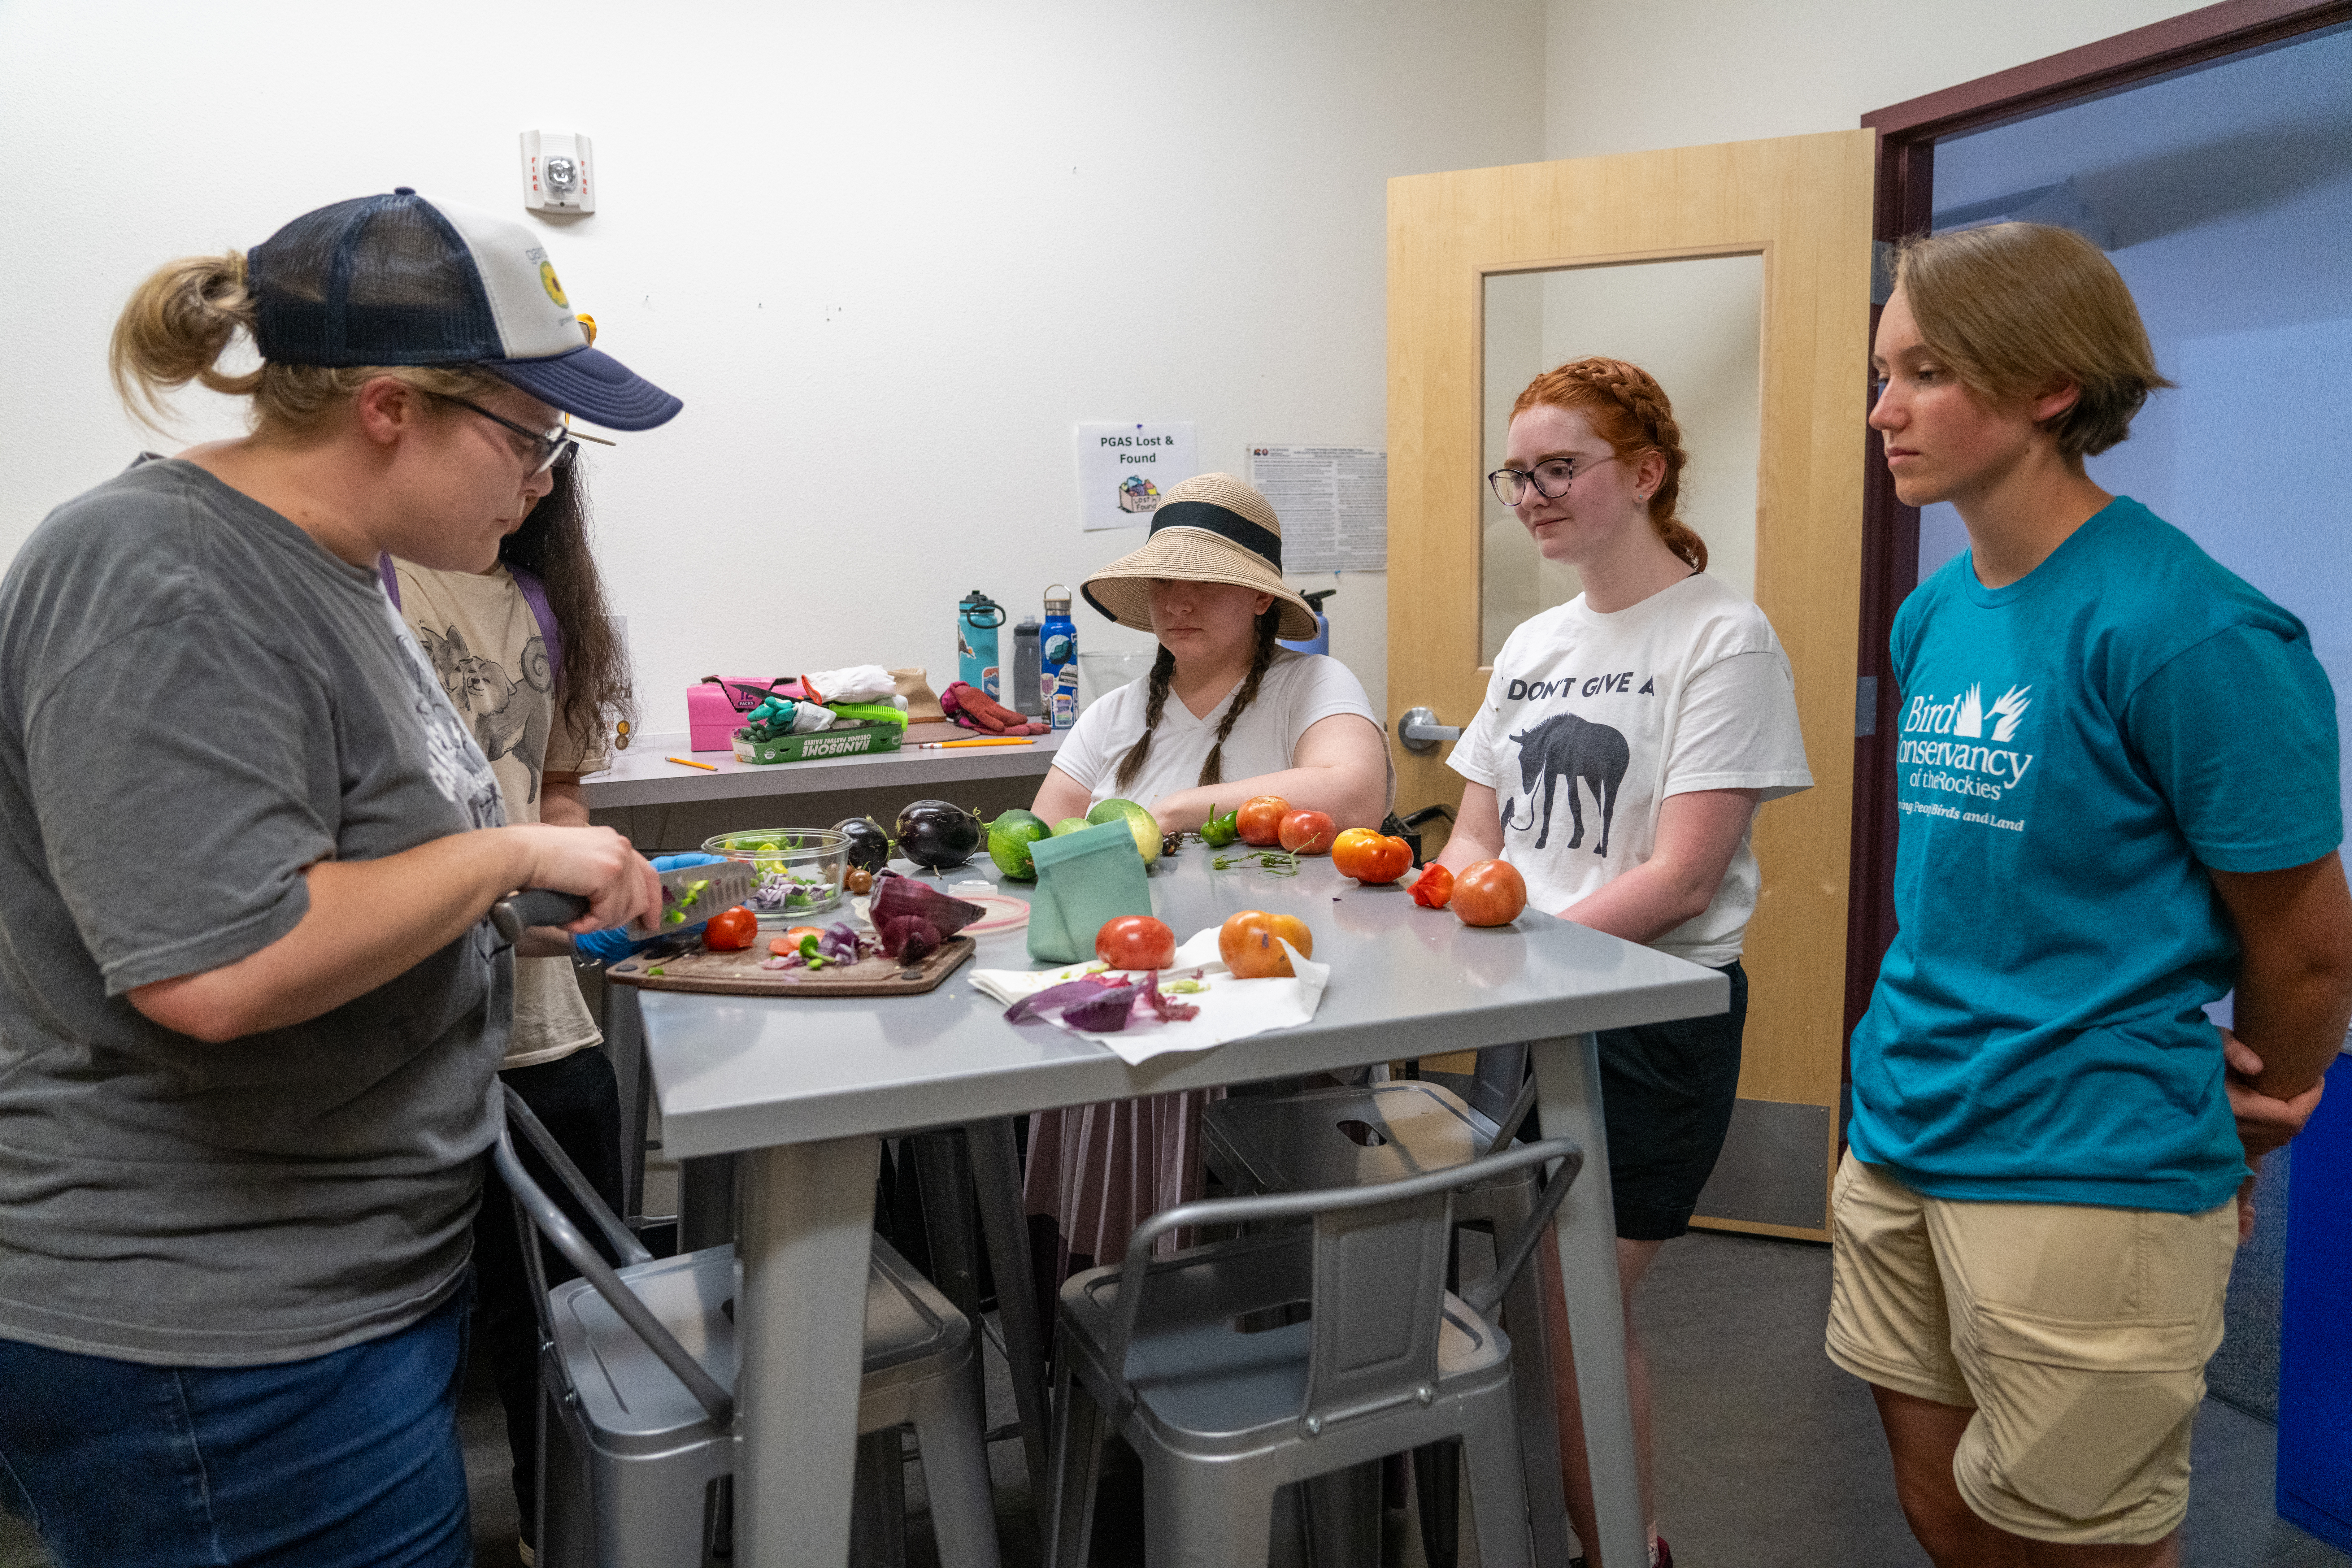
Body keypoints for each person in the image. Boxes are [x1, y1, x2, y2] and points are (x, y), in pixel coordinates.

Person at [0, 188, 680, 1568]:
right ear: (388, 407)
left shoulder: (337, 572)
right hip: (218, 1329)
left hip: (339, 1282)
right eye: (531, 439)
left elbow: (336, 875)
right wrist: (504, 850)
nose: (542, 483)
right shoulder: (163, 572)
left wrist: (509, 919)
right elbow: (219, 964)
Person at [1837, 221, 2352, 1566]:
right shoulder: (1934, 610)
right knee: (1941, 1511)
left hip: (2085, 1158)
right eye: (1883, 372)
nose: (1883, 410)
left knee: (2078, 1547)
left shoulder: (2192, 630)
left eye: (1926, 373)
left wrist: (2243, 1127)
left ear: (2049, 386)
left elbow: (2305, 956)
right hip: (1903, 1119)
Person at [1437, 358, 1813, 1566]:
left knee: (1572, 1309)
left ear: (1643, 474)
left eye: (1560, 468)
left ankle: (1625, 1546)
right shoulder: (1534, 641)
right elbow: (1474, 832)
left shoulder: (1723, 637)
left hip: (1647, 1018)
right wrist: (1453, 929)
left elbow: (1683, 877)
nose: (1533, 495)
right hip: (1529, 1001)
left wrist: (1511, 959)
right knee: (1540, 1316)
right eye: (1518, 474)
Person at [1023, 472, 1391, 1289]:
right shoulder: (1115, 715)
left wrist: (1179, 807)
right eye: (1165, 581)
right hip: (1128, 1014)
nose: (1177, 601)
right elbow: (1047, 834)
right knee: (1113, 1258)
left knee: (1264, 1257)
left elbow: (1353, 788)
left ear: (1262, 600)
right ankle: (1116, 1340)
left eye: (1207, 582)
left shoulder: (1312, 686)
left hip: (1275, 1019)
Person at [385, 443, 653, 1565]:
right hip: (414, 1023)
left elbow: (551, 781)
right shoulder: (371, 587)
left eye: (556, 461)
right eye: (521, 451)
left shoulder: (542, 600)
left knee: (568, 1304)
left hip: (543, 1012)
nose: (539, 483)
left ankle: (565, 1528)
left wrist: (575, 849)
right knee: (414, 1341)